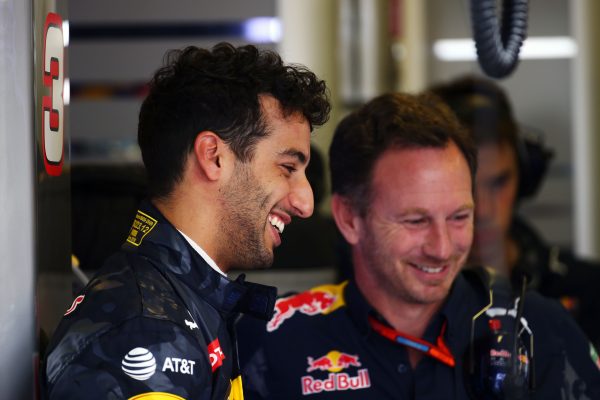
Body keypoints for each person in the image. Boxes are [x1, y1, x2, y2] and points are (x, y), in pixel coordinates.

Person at [237, 92, 600, 399]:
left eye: (459, 217)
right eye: (415, 221)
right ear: (349, 219)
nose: (442, 248)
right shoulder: (271, 341)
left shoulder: (540, 329)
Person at [42, 42, 331, 400]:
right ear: (213, 157)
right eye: (287, 167)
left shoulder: (183, 301)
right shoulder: (149, 330)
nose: (305, 203)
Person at [429, 74, 600, 347]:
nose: (483, 210)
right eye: (465, 187)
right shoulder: (397, 301)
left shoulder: (587, 290)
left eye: (499, 182)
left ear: (525, 178)